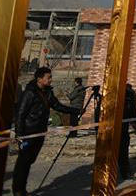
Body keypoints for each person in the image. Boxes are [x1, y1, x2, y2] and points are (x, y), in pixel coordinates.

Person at [13, 67, 80, 196]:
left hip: (41, 132)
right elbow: (20, 114)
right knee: (23, 163)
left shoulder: (48, 93)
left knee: (30, 161)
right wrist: (19, 134)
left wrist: (75, 111)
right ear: (39, 79)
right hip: (28, 133)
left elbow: (57, 106)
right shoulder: (29, 93)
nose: (50, 80)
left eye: (50, 77)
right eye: (48, 77)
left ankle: (21, 188)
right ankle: (18, 191)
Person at [119, 83, 136, 181]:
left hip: (121, 127)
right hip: (121, 128)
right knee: (123, 150)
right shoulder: (130, 93)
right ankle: (126, 172)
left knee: (122, 149)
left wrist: (135, 121)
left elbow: (133, 109)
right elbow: (134, 110)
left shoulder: (129, 93)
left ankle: (125, 172)